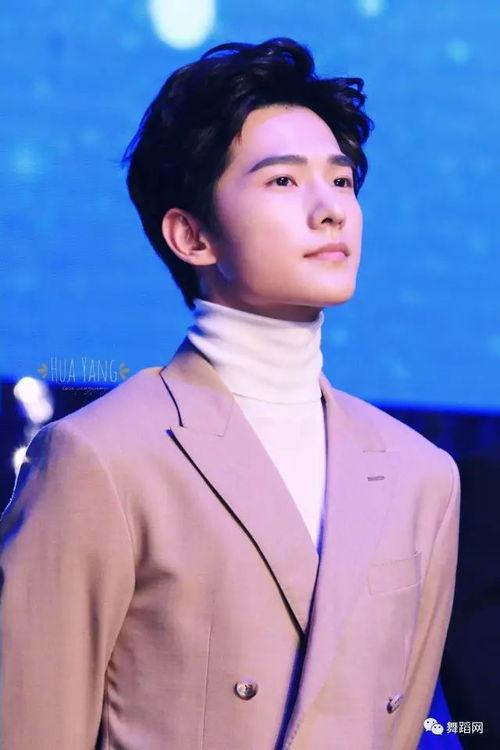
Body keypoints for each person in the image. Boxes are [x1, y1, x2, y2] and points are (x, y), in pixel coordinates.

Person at [0, 37, 460, 749]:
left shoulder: (422, 475)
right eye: (283, 181)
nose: (331, 210)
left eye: (341, 181)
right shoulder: (100, 459)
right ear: (191, 236)